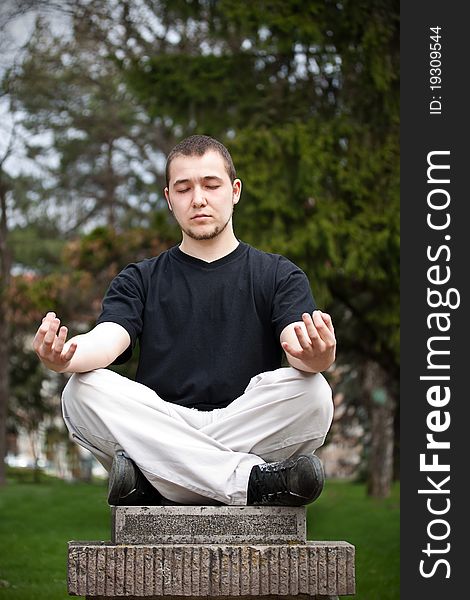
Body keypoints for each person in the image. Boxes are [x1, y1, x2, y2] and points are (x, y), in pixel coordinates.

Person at [33, 134, 335, 507]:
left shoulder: (278, 275)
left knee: (314, 393)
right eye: (184, 188)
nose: (199, 199)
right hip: (161, 419)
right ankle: (252, 481)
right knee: (80, 392)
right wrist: (65, 355)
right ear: (169, 198)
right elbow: (109, 337)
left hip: (243, 421)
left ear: (235, 191)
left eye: (211, 184)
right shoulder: (139, 279)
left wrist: (318, 356)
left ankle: (155, 480)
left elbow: (300, 349)